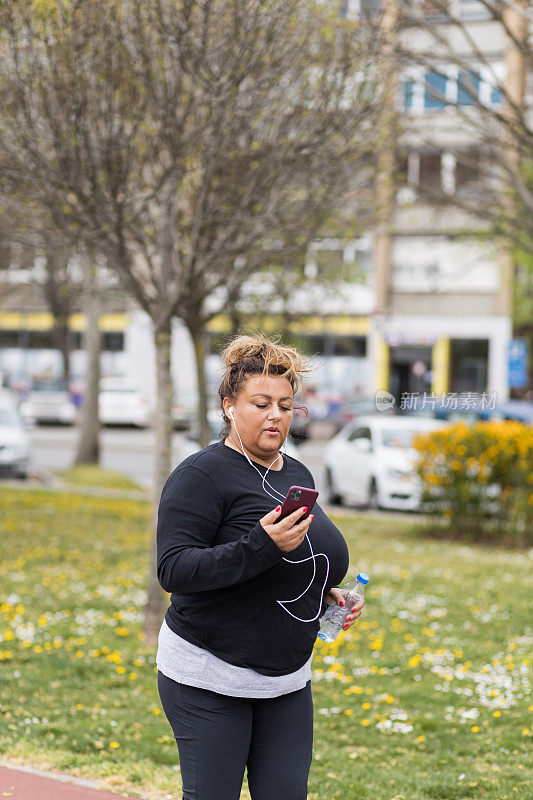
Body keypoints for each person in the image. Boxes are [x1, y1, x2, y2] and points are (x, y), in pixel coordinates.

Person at [156, 333, 365, 800]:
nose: (276, 415)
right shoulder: (200, 476)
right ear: (229, 405)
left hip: (288, 679)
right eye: (262, 403)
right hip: (210, 675)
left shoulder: (295, 473)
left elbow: (307, 552)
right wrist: (260, 547)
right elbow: (174, 569)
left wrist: (323, 591)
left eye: (286, 406)